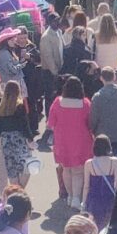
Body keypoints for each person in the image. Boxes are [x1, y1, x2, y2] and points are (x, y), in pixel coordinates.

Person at [50, 76, 94, 210]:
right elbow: (91, 123)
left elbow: (51, 123)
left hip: (62, 141)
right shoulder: (86, 103)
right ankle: (76, 197)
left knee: (66, 169)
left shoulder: (57, 102)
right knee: (78, 171)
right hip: (81, 141)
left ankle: (69, 196)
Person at [0, 80, 34, 188]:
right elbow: (24, 125)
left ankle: (15, 190)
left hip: (5, 140)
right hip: (18, 139)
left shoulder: (0, 107)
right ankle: (20, 190)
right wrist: (30, 139)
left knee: (11, 168)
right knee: (27, 166)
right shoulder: (19, 106)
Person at [83, 135, 117, 228]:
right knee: (109, 225)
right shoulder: (114, 161)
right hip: (110, 198)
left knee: (94, 226)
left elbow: (86, 186)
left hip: (94, 199)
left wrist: (84, 203)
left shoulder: (89, 163)